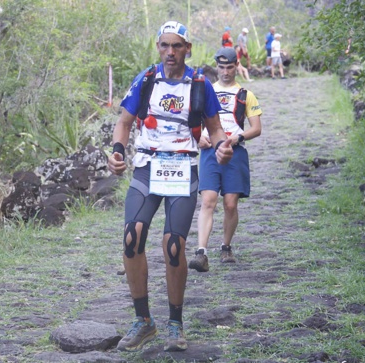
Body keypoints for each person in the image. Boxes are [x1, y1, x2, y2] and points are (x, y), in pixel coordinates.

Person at [108, 21, 233, 353]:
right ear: (158, 47)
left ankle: (175, 325)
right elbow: (123, 122)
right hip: (147, 166)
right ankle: (143, 322)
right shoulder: (147, 79)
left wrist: (223, 146)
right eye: (164, 45)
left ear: (187, 49)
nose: (170, 52)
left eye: (177, 46)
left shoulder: (200, 84)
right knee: (132, 236)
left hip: (182, 168)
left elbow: (216, 128)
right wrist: (117, 152)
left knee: (173, 246)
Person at [189, 47, 262, 272]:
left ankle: (226, 246)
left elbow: (256, 128)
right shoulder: (206, 90)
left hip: (235, 152)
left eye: (229, 67)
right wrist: (199, 136)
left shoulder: (246, 94)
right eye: (221, 67)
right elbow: (193, 118)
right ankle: (201, 251)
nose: (225, 72)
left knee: (230, 204)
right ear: (216, 68)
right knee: (208, 200)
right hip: (210, 152)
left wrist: (238, 137)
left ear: (236, 67)